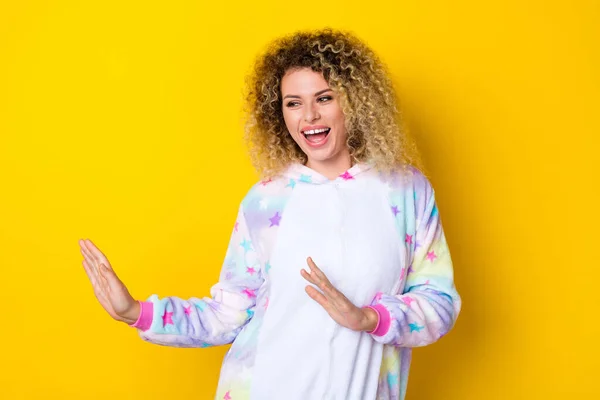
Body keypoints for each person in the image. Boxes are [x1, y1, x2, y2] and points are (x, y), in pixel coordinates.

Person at [79, 28, 461, 400]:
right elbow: (227, 313)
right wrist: (136, 312)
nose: (309, 115)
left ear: (355, 102)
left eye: (324, 98)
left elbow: (439, 302)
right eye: (293, 102)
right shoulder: (266, 201)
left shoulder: (405, 191)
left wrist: (370, 318)